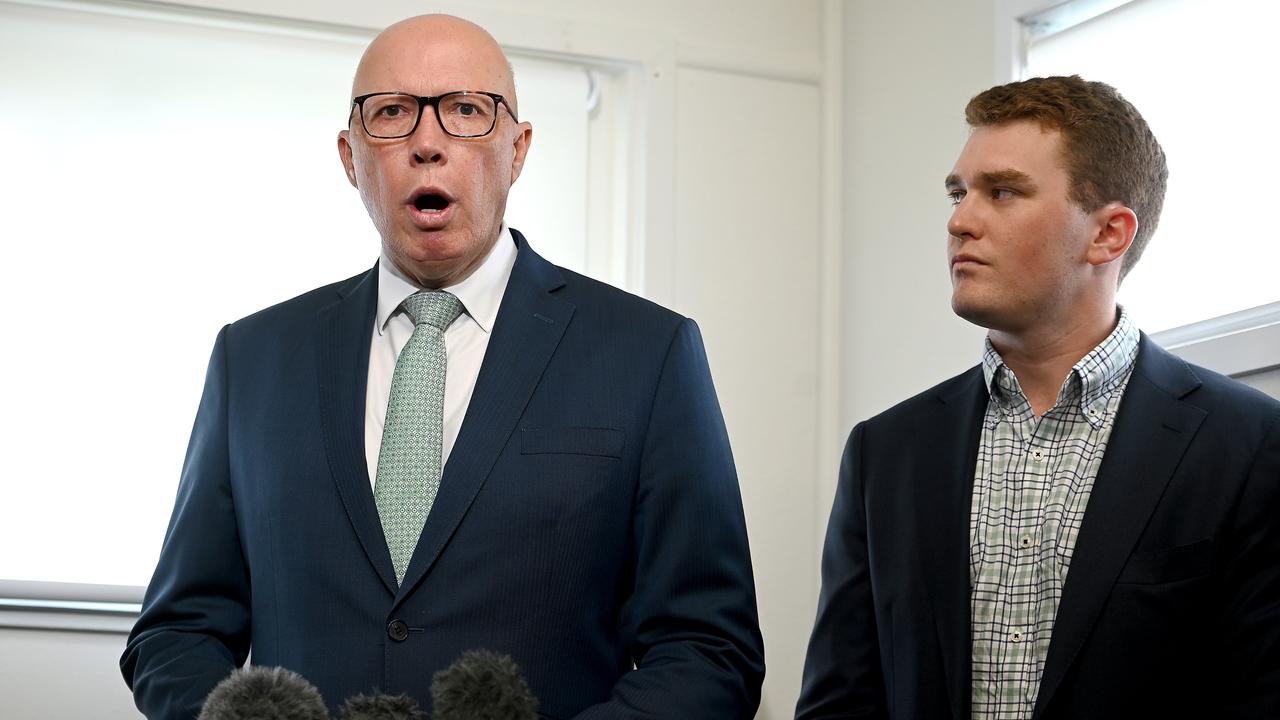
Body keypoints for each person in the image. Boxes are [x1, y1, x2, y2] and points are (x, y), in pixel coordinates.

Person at [122, 14, 764, 719]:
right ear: (350, 157)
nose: (427, 143)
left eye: (465, 111)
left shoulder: (648, 354)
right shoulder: (253, 359)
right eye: (392, 114)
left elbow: (709, 649)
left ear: (517, 150)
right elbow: (176, 632)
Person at [796, 75, 1280, 719]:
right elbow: (841, 700)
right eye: (958, 193)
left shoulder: (1249, 445)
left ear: (1108, 234)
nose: (959, 220)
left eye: (1002, 192)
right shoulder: (887, 452)